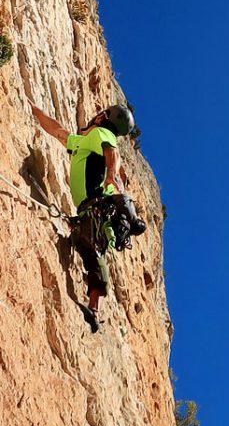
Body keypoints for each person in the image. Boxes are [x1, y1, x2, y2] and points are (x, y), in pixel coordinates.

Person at [30, 103, 146, 332]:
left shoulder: (100, 133)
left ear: (102, 117)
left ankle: (132, 219)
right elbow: (60, 132)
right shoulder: (84, 142)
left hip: (98, 205)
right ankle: (94, 309)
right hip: (92, 210)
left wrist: (112, 175)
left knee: (94, 247)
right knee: (92, 250)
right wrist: (36, 112)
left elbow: (112, 153)